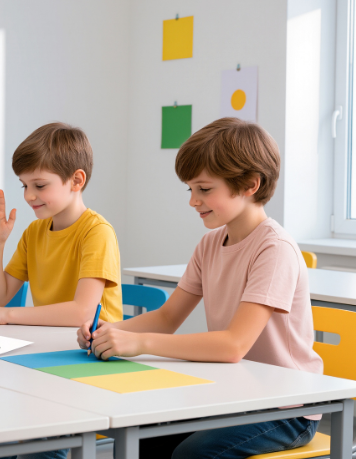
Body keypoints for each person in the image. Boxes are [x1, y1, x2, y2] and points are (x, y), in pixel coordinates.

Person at [78, 118, 323, 459]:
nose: (193, 200)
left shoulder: (274, 248)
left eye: (205, 190)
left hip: (288, 408)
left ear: (250, 184)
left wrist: (140, 342)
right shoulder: (210, 244)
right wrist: (109, 331)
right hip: (234, 393)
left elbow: (233, 345)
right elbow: (167, 317)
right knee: (141, 435)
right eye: (190, 189)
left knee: (192, 454)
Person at [0, 122, 123, 327]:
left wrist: (7, 315)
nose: (28, 195)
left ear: (76, 180)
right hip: (50, 342)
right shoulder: (34, 232)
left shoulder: (97, 232)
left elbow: (83, 313)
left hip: (94, 350)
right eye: (24, 185)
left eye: (39, 185)